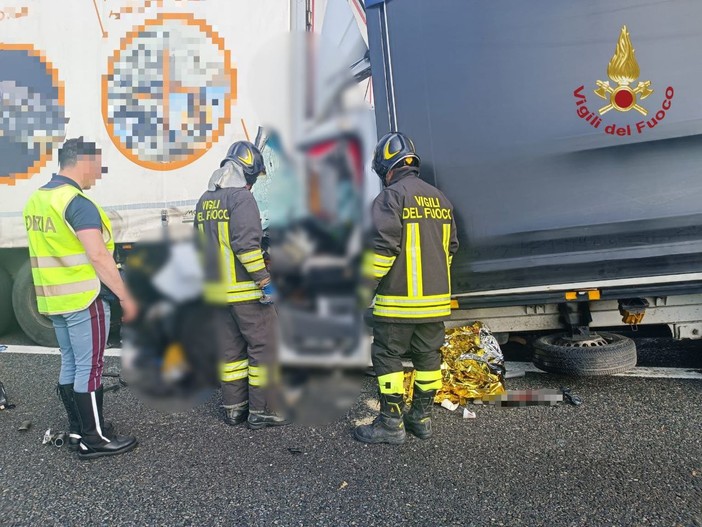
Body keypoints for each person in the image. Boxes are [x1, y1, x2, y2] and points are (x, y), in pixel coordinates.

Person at [23, 137, 138, 459]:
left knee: (72, 364)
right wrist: (126, 297)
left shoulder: (37, 199)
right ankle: (95, 439)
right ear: (84, 162)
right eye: (97, 167)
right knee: (91, 367)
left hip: (54, 298)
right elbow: (98, 256)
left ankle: (79, 431)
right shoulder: (75, 202)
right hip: (84, 297)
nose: (97, 175)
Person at [354, 132, 459, 444]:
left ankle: (390, 423)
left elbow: (381, 252)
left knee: (387, 356)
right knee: (428, 358)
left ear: (385, 168)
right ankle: (421, 419)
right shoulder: (441, 199)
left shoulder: (390, 198)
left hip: (397, 304)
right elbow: (450, 249)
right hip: (434, 306)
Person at [195, 141, 289, 429]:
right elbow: (246, 246)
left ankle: (235, 408)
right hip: (246, 292)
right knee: (264, 346)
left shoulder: (204, 200)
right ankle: (264, 410)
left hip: (216, 293)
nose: (251, 185)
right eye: (252, 179)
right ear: (246, 174)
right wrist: (265, 281)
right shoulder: (241, 199)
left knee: (230, 350)